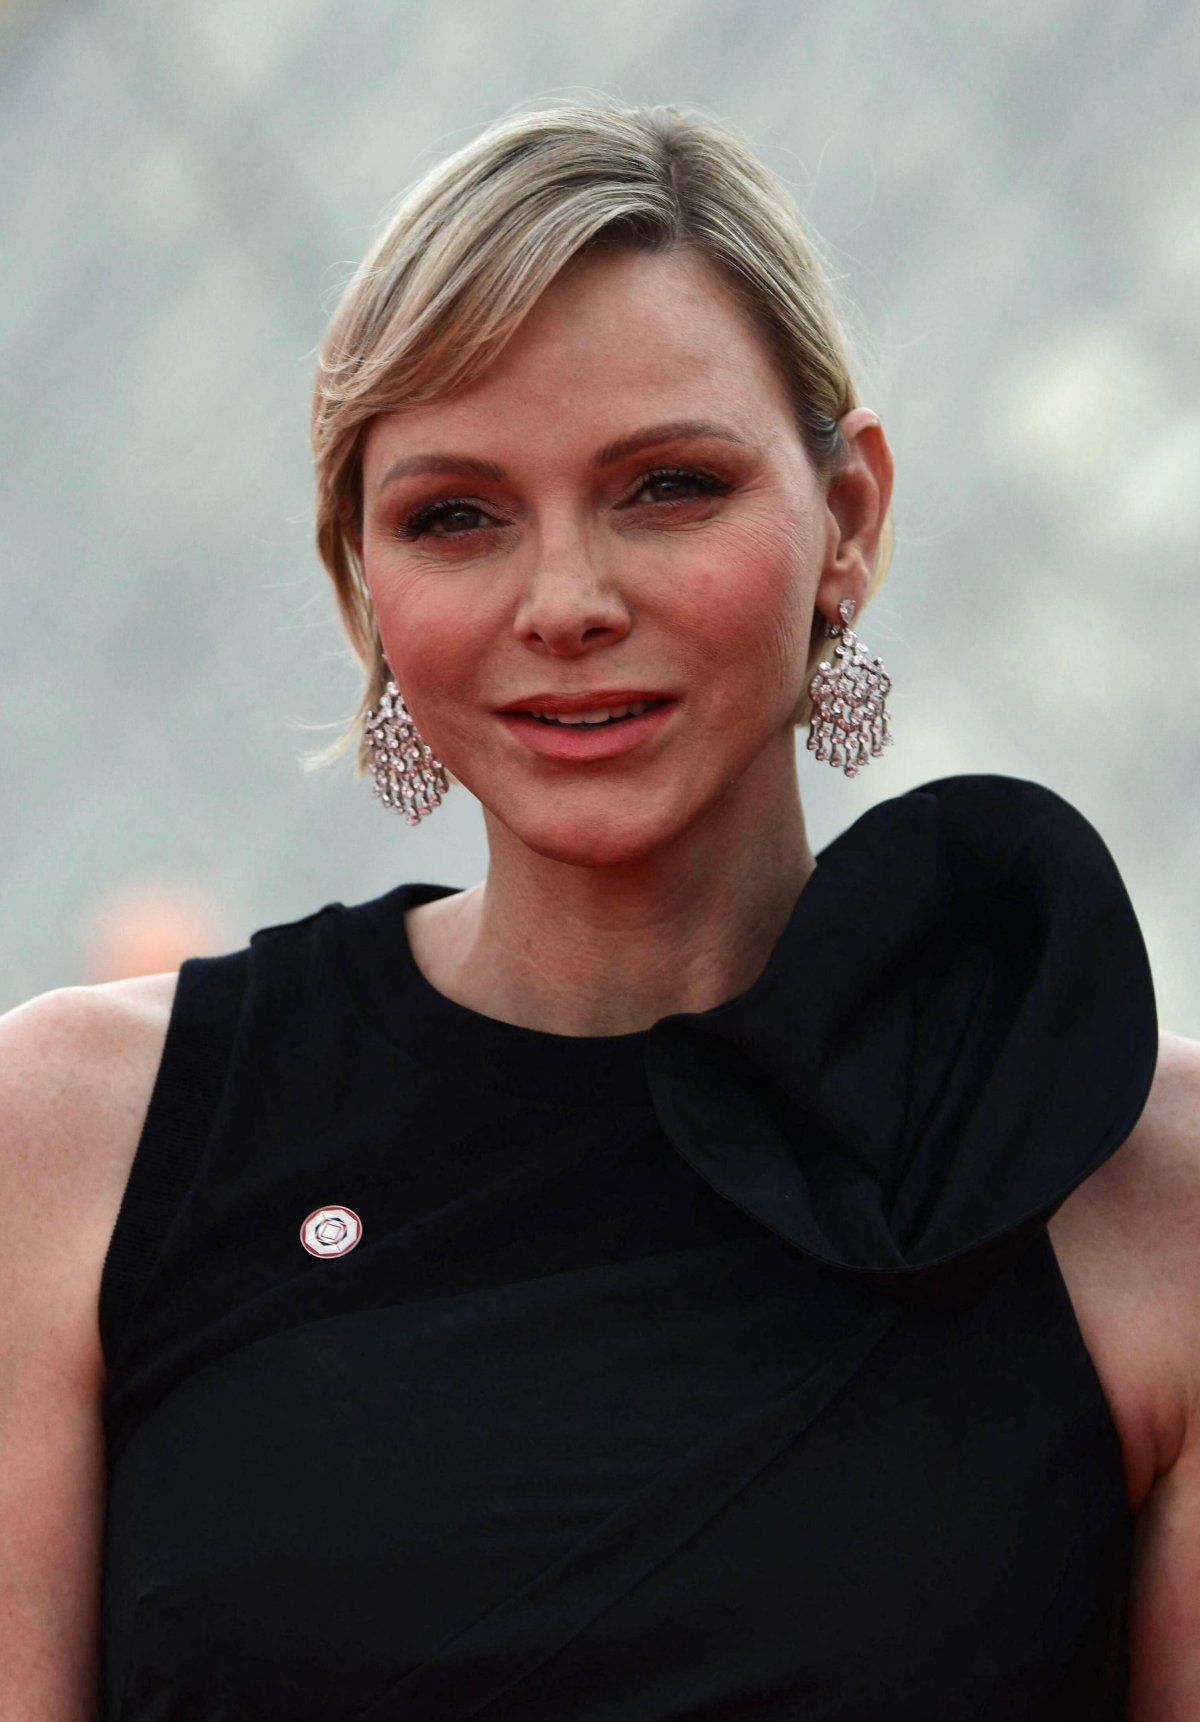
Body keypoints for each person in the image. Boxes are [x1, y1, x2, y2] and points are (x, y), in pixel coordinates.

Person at [2, 98, 1198, 1722]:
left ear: (847, 518)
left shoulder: (1144, 1183)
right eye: (456, 516)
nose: (567, 602)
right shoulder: (68, 1148)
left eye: (668, 487)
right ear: (363, 580)